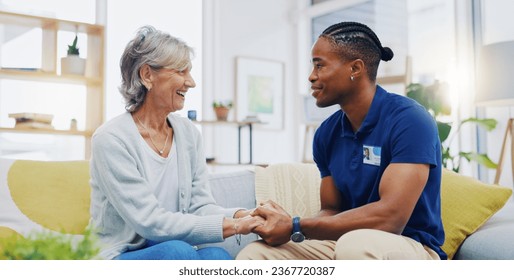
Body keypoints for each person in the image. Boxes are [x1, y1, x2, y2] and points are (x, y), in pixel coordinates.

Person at [237, 21, 446, 260]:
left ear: (355, 69)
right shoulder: (326, 133)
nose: (311, 76)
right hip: (346, 242)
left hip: (412, 246)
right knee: (257, 254)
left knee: (356, 245)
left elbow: (391, 218)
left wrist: (296, 225)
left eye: (320, 65)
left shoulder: (410, 120)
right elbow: (332, 210)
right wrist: (281, 224)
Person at [89, 25, 262, 260]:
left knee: (215, 256)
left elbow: (200, 207)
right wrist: (236, 227)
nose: (191, 82)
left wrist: (245, 215)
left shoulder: (188, 133)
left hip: (170, 245)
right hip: (120, 253)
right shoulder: (111, 139)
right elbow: (149, 222)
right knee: (177, 251)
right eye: (181, 71)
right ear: (147, 75)